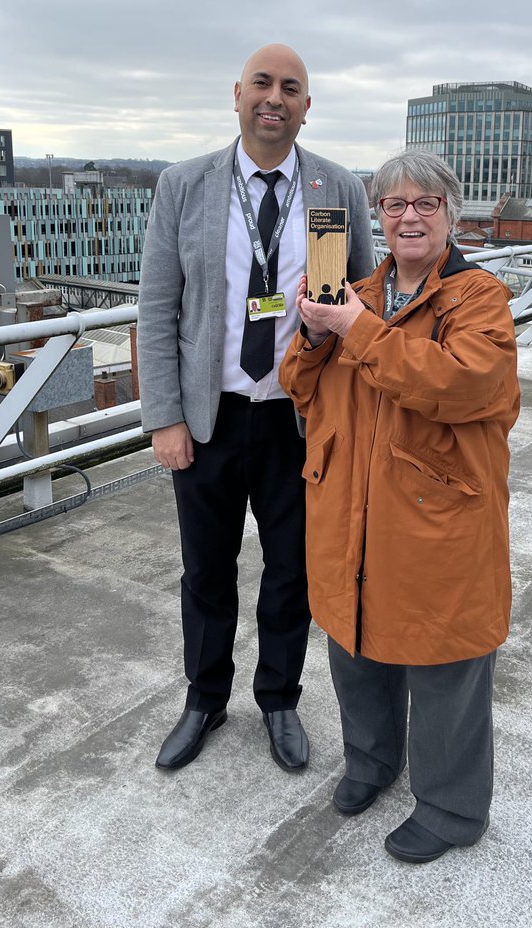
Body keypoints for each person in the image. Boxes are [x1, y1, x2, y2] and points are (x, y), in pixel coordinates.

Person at [138, 43, 374, 774]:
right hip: (209, 418)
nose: (275, 98)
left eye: (291, 88)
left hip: (299, 420)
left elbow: (361, 297)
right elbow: (157, 307)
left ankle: (279, 700)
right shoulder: (185, 185)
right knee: (205, 569)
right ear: (237, 94)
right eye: (263, 85)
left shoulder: (336, 187)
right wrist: (165, 417)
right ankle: (205, 700)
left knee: (290, 571)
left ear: (308, 105)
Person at [279, 150, 520, 862]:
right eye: (393, 205)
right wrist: (316, 333)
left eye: (426, 203)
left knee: (443, 658)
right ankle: (371, 761)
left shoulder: (478, 298)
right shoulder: (357, 291)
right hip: (350, 502)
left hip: (435, 510)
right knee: (356, 641)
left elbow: (462, 385)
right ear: (376, 217)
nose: (409, 216)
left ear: (452, 213)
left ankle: (452, 808)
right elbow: (299, 386)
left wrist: (355, 329)